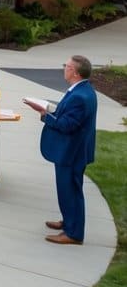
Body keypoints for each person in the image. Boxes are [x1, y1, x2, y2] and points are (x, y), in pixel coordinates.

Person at [26, 55, 98, 245]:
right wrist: (50, 109)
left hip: (71, 152)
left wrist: (44, 114)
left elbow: (67, 125)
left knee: (70, 191)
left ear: (75, 72)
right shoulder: (81, 90)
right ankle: (69, 222)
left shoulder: (80, 97)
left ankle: (73, 234)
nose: (64, 68)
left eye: (66, 66)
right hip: (74, 150)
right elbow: (69, 115)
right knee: (68, 190)